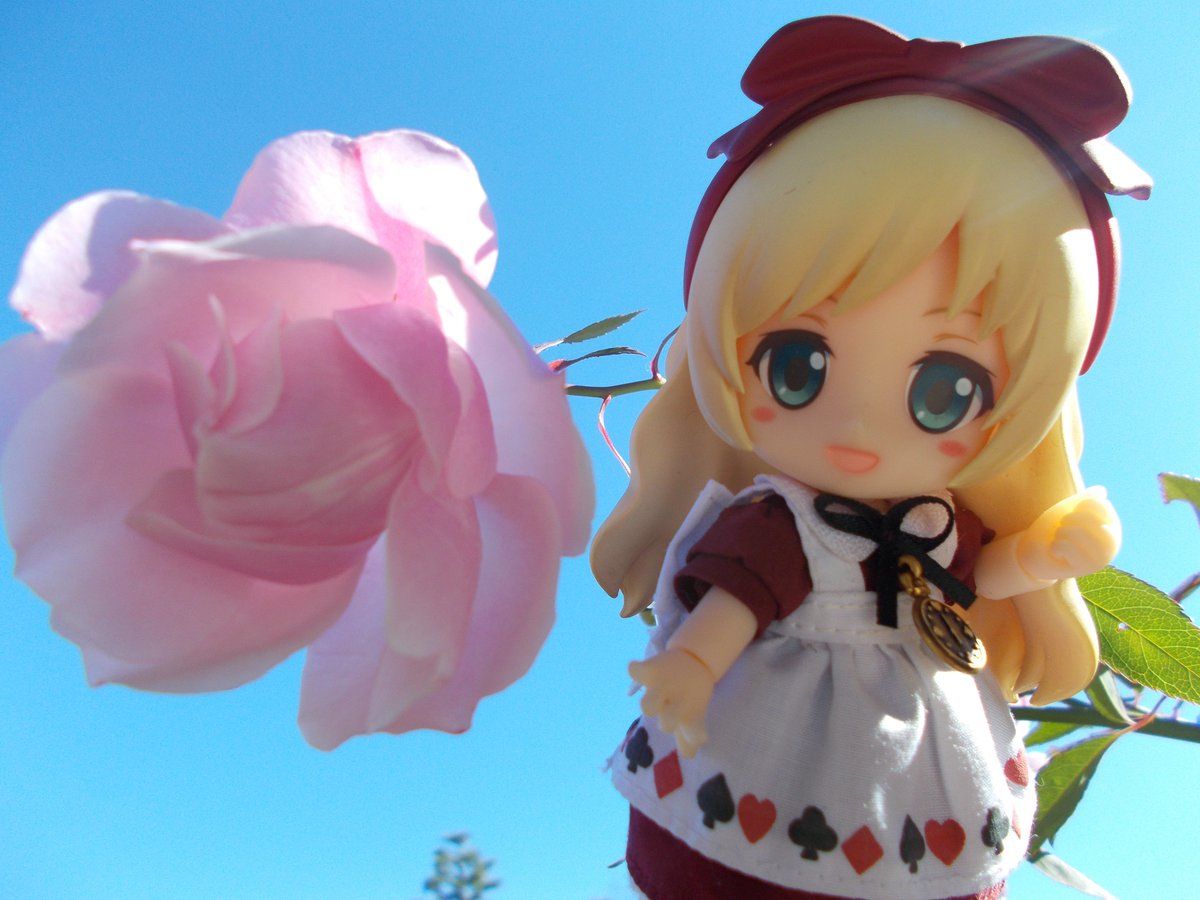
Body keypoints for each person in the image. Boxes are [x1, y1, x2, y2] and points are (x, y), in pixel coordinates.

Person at [590, 17, 1150, 900]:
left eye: (946, 392)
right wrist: (691, 667)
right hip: (771, 744)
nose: (857, 427)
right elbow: (743, 593)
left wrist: (1044, 556)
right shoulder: (781, 522)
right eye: (797, 367)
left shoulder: (938, 526)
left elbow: (976, 579)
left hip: (931, 746)